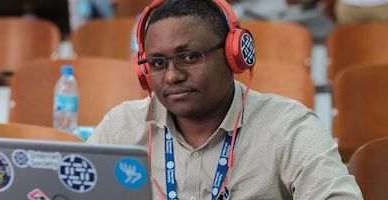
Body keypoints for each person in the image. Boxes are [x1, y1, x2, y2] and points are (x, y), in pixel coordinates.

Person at [88, 0, 363, 199]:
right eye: (158, 63)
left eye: (189, 57)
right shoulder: (121, 126)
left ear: (233, 56)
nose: (171, 77)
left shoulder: (290, 127)